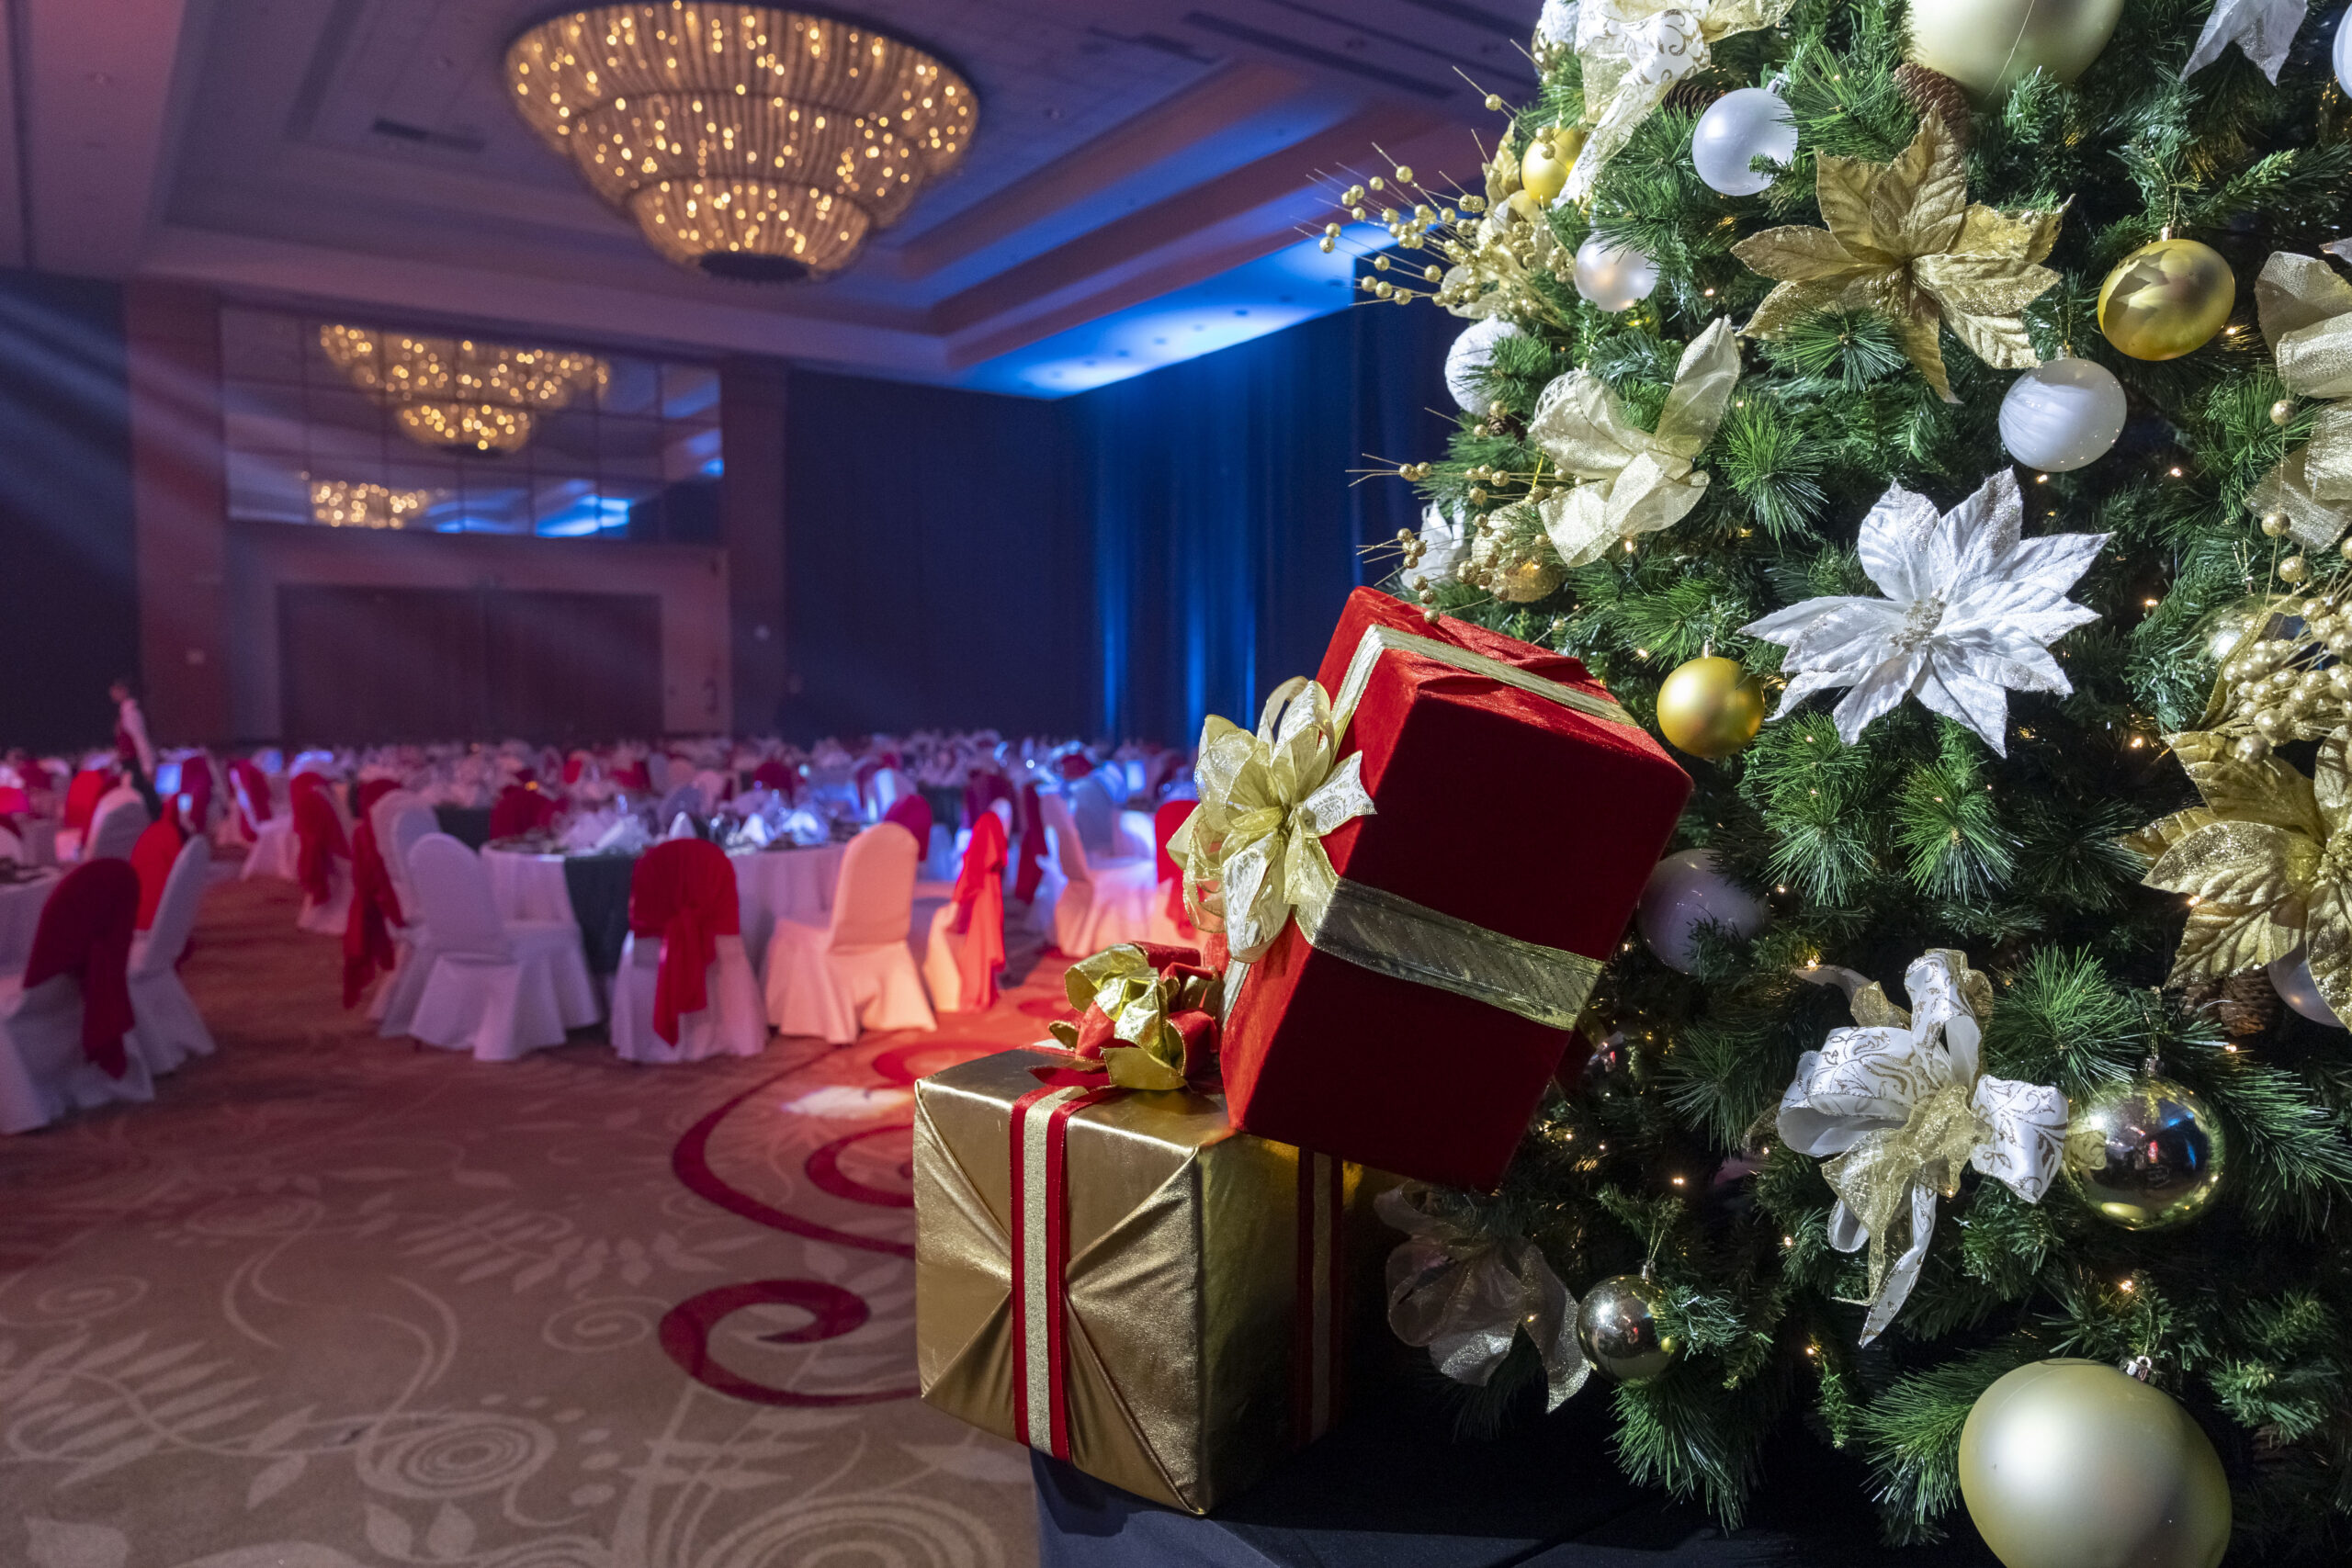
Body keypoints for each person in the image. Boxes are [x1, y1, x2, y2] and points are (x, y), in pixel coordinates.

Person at [109, 677, 161, 818]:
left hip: (135, 765)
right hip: (130, 764)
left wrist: (147, 767)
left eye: (115, 690)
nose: (112, 693)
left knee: (143, 800)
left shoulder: (131, 713)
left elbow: (141, 741)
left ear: (124, 691)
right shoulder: (125, 712)